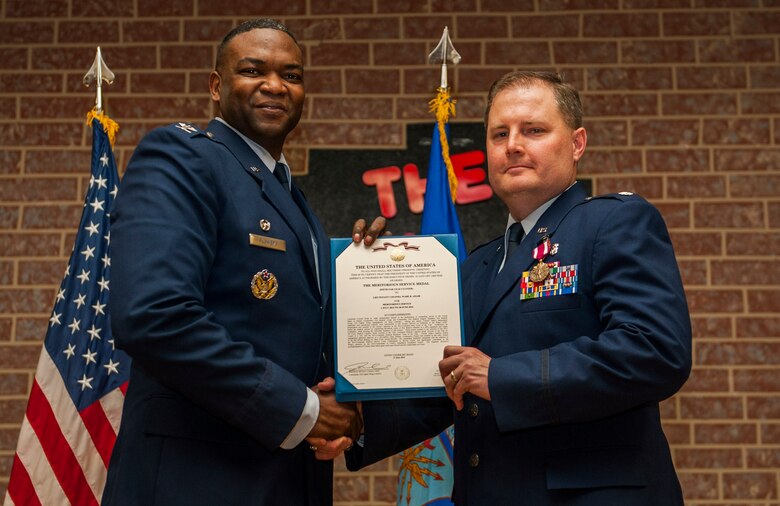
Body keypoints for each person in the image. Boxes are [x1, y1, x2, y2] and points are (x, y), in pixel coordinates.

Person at [345, 70, 692, 504]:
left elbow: (654, 350)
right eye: (499, 134)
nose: (512, 145)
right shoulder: (477, 266)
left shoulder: (613, 223)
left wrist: (502, 376)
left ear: (577, 143)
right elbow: (449, 384)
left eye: (534, 130)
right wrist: (354, 419)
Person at [102, 19, 384, 506]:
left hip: (287, 480)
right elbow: (154, 315)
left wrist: (378, 275)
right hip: (196, 482)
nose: (275, 85)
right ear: (216, 86)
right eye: (253, 70)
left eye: (292, 76)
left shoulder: (292, 198)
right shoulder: (182, 157)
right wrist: (303, 409)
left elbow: (296, 336)